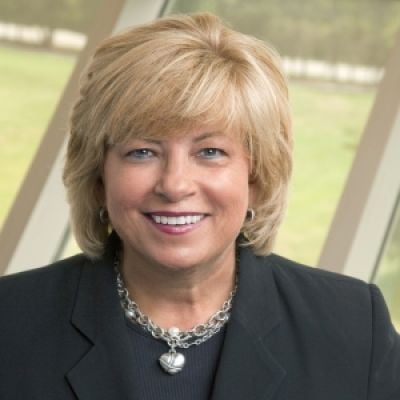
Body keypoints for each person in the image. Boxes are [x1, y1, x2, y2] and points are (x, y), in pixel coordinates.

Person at [0, 12, 399, 400]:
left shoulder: (353, 326)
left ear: (256, 177)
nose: (174, 185)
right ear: (99, 175)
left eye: (210, 151)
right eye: (142, 151)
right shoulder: (10, 322)